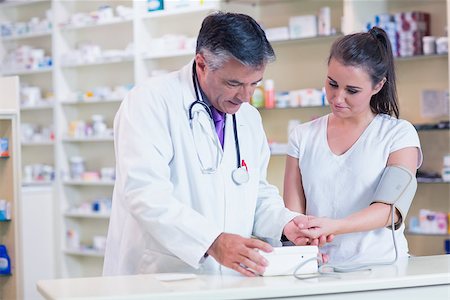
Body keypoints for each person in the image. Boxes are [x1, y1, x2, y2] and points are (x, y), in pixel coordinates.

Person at [103, 11, 329, 277]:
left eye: (254, 83)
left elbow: (255, 192)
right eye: (233, 83)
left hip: (229, 279)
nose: (245, 96)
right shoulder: (150, 102)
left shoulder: (248, 117)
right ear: (202, 64)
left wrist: (286, 222)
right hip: (160, 275)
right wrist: (212, 241)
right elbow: (145, 194)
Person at [283, 27, 422, 265]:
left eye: (352, 90)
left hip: (382, 269)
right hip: (318, 269)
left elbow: (391, 210)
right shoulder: (302, 136)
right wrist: (302, 244)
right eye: (332, 84)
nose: (338, 98)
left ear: (377, 86)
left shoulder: (398, 135)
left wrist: (335, 226)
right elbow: (293, 214)